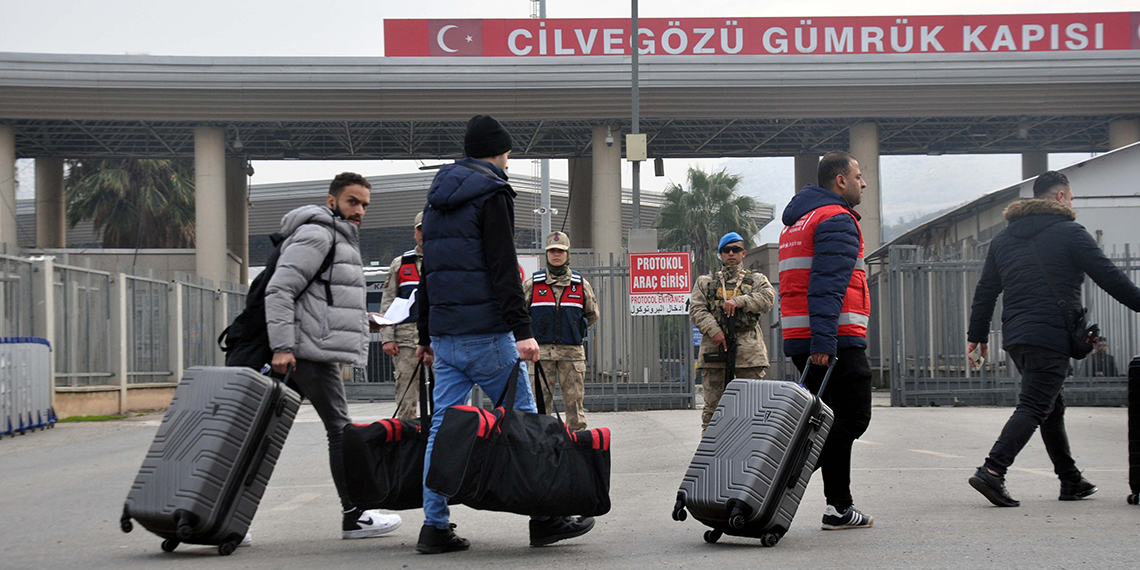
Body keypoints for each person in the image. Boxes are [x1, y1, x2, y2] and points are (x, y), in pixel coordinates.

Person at [414, 115, 595, 554]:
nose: (510, 164)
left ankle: (434, 526)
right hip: (487, 335)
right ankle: (544, 517)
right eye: (509, 155)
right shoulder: (492, 193)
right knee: (524, 422)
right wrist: (522, 330)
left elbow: (430, 273)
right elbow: (502, 267)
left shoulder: (436, 200)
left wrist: (425, 335)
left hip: (445, 336)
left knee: (442, 427)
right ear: (498, 152)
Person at [967, 170, 1140, 507]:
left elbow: (985, 292)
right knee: (1034, 405)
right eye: (1071, 197)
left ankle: (1070, 479)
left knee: (1051, 406)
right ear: (1060, 197)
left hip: (1016, 336)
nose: (1072, 203)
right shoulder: (1070, 232)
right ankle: (992, 470)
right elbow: (1111, 279)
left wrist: (977, 336)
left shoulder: (1003, 239)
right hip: (1050, 335)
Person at [265, 172, 402, 539]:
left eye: (364, 205)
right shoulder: (318, 234)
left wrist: (364, 320)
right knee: (341, 432)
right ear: (332, 201)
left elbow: (322, 300)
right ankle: (355, 515)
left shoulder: (337, 239)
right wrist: (281, 346)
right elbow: (280, 290)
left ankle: (229, 515)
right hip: (307, 353)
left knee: (262, 433)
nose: (359, 210)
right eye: (352, 202)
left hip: (308, 349)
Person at [778, 150, 874, 530]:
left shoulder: (798, 221)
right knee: (853, 418)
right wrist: (824, 343)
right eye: (858, 175)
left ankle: (839, 507)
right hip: (833, 340)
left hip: (805, 336)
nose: (863, 182)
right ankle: (775, 480)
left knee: (823, 421)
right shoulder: (836, 219)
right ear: (840, 181)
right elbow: (826, 287)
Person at [689, 232, 775, 432]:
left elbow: (767, 299)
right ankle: (710, 455)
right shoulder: (705, 281)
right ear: (720, 254)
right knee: (713, 409)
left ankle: (750, 452)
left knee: (752, 408)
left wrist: (740, 301)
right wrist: (715, 331)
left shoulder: (756, 279)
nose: (731, 254)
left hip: (749, 352)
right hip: (715, 349)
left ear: (743, 253)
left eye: (735, 249)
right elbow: (697, 309)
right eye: (726, 250)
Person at [522, 231, 599, 430]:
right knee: (539, 406)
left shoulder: (580, 285)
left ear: (568, 254)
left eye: (561, 251)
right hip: (541, 353)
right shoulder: (533, 284)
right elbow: (519, 314)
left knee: (575, 406)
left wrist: (573, 329)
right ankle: (540, 447)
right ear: (547, 254)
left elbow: (592, 314)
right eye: (552, 251)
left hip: (571, 354)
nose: (556, 255)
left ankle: (575, 449)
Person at [377, 212, 427, 420]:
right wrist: (387, 337)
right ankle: (407, 440)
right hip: (406, 340)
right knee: (407, 395)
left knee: (444, 395)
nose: (425, 233)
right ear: (414, 232)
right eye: (420, 229)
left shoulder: (447, 261)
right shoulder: (400, 264)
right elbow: (388, 302)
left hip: (439, 338)